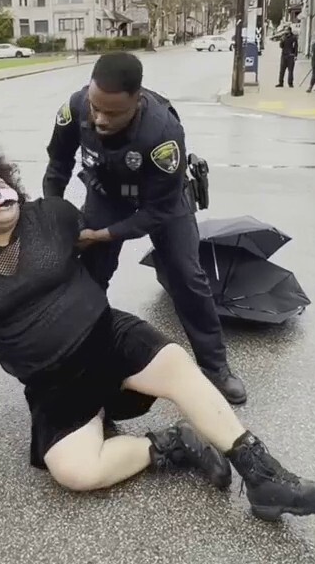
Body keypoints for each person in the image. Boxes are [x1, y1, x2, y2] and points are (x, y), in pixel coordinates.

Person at [0, 162, 315, 520]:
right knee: (75, 473)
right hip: (54, 381)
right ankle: (170, 444)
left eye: (0, 181)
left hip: (107, 337)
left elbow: (99, 235)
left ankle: (264, 476)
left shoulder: (52, 216)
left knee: (177, 362)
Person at [43, 52, 247, 405]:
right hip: (108, 194)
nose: (100, 118)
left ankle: (215, 368)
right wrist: (52, 213)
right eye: (96, 107)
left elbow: (158, 211)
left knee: (186, 276)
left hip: (162, 201)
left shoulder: (163, 132)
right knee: (90, 277)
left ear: (138, 101)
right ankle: (83, 361)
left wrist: (103, 235)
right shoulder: (76, 107)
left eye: (113, 113)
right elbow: (57, 166)